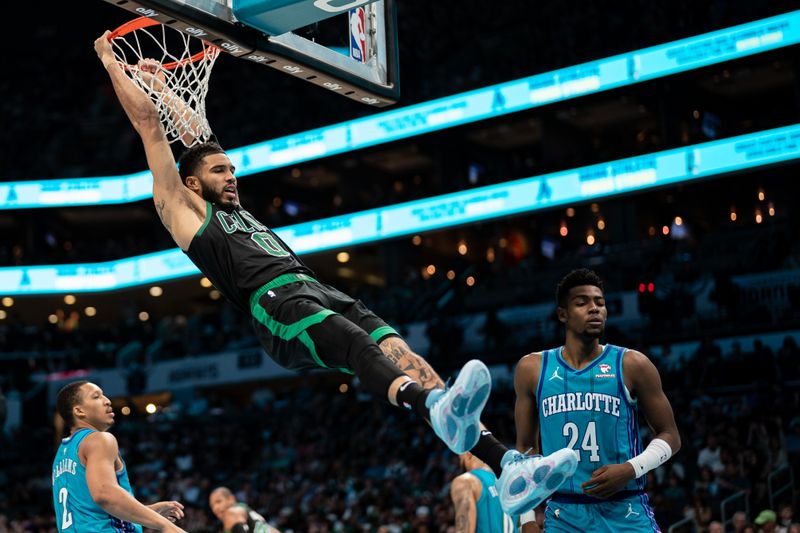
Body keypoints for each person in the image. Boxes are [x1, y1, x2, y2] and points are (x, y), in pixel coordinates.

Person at [92, 29, 577, 511]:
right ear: (193, 183)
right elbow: (151, 126)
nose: (232, 176)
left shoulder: (227, 199)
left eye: (233, 169)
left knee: (401, 352)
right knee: (360, 345)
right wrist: (113, 62)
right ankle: (429, 406)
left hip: (314, 286)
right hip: (274, 305)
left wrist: (162, 84)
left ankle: (508, 464)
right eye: (221, 172)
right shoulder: (183, 209)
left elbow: (199, 136)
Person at [507, 269, 681, 531]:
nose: (594, 309)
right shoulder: (532, 369)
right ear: (562, 314)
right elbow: (526, 449)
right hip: (563, 513)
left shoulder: (632, 364)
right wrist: (527, 518)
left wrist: (629, 469)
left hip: (625, 508)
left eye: (599, 303)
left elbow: (671, 436)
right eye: (582, 303)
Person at [52, 380, 186, 533]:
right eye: (96, 397)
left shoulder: (62, 455)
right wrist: (164, 525)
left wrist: (148, 512)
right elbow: (105, 495)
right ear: (79, 411)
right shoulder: (99, 439)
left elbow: (91, 513)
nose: (107, 401)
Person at [451, 452, 517, 533]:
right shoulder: (509, 484)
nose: (460, 458)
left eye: (460, 455)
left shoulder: (465, 482)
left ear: (468, 453)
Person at [208, 486, 280, 533]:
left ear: (231, 499)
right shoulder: (246, 511)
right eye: (212, 506)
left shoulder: (231, 512)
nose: (215, 508)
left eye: (218, 501)